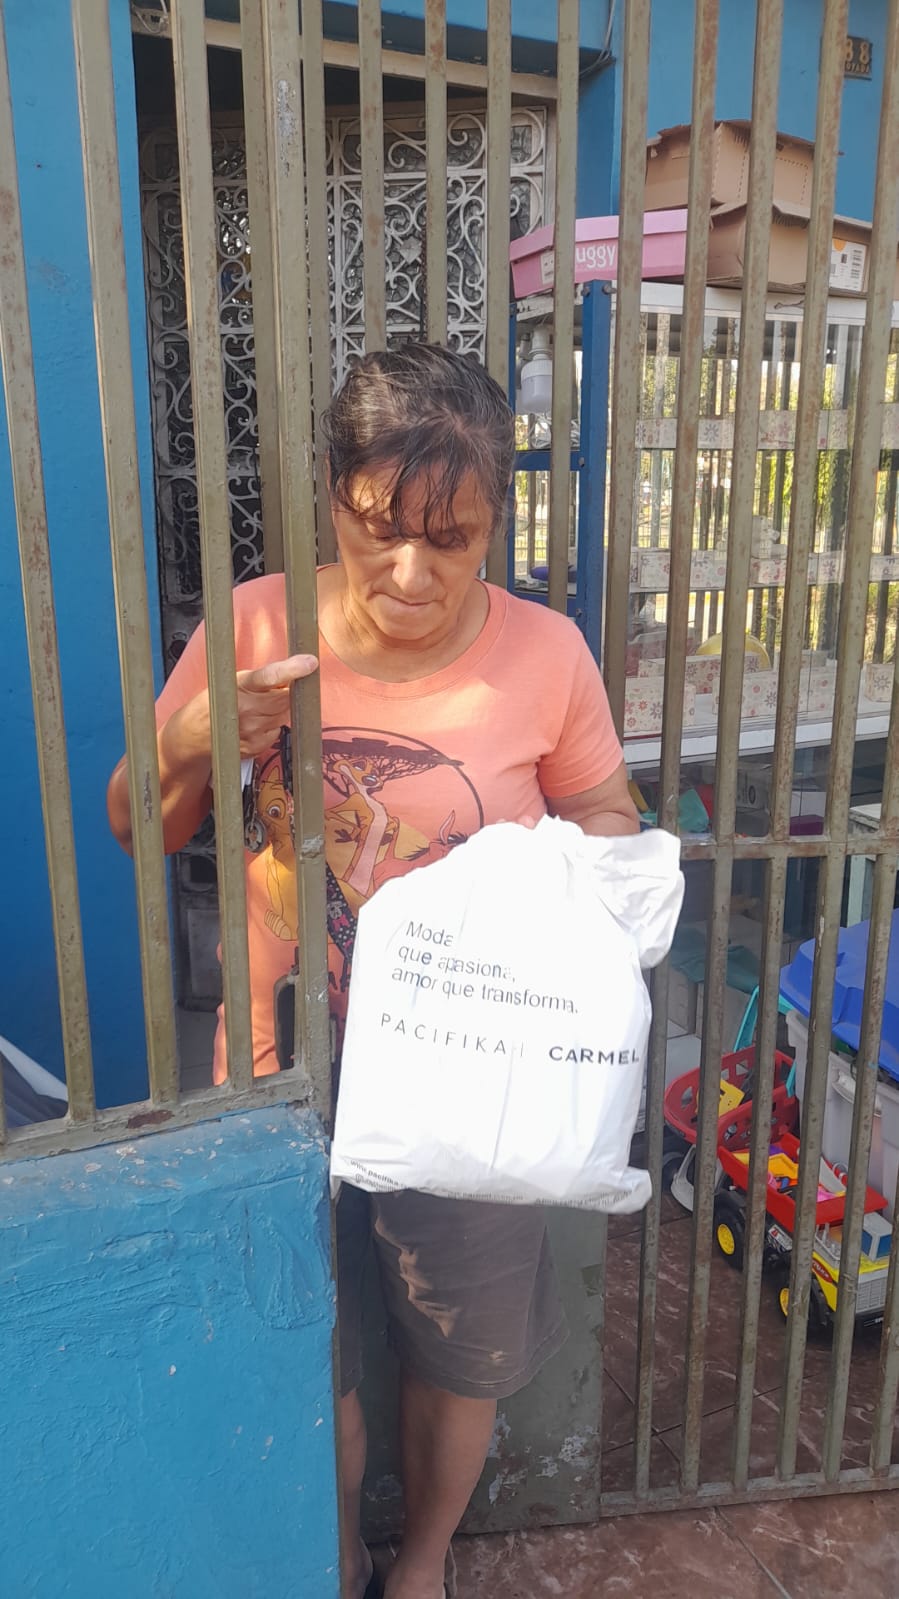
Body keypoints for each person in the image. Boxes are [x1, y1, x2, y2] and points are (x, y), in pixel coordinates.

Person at [107, 343, 638, 1599]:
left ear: (495, 519)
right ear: (331, 497)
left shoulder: (547, 653)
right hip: (278, 1068)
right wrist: (194, 736)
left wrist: (547, 879)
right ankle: (335, 1553)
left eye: (451, 540)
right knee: (310, 1347)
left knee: (457, 1353)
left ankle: (422, 1562)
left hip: (471, 1083)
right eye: (377, 528)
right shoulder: (254, 623)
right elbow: (141, 825)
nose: (410, 574)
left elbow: (607, 815)